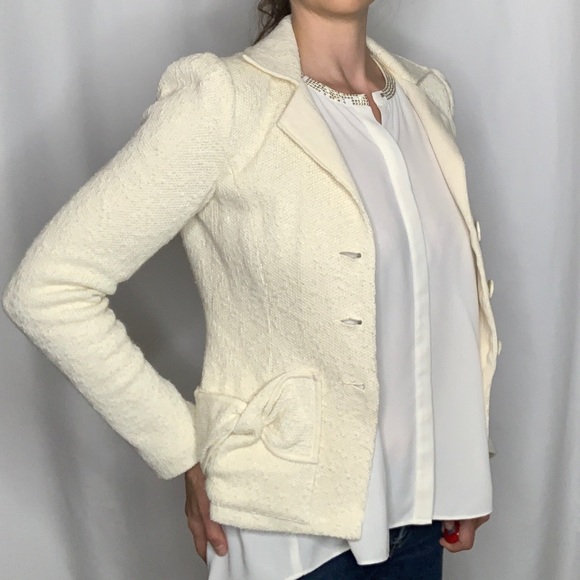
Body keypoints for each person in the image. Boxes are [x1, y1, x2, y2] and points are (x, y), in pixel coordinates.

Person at [2, 1, 501, 579]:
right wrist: (181, 447)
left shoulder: (425, 97)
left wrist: (460, 464)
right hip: (289, 537)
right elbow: (48, 287)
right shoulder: (226, 102)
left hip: (420, 520)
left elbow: (431, 305)